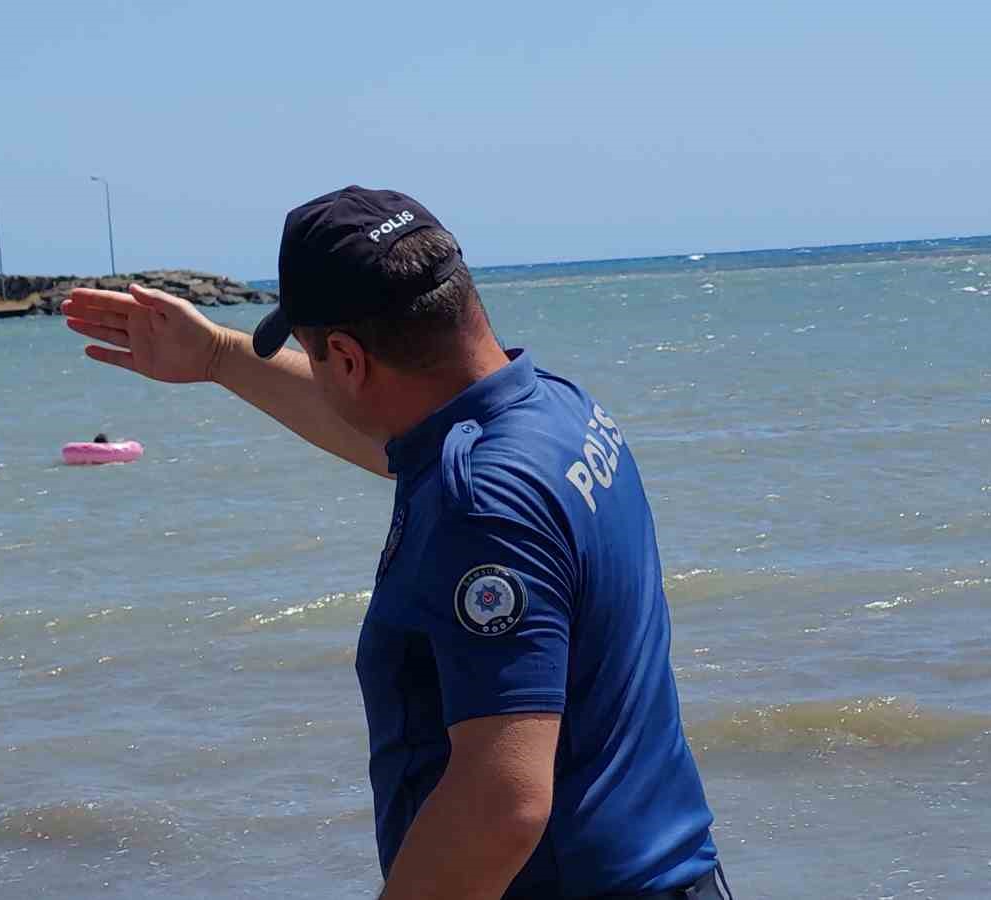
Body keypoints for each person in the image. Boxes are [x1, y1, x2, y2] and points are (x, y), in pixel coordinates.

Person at [63, 186, 730, 899]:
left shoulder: (482, 507)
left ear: (347, 358)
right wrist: (221, 357)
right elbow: (393, 439)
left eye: (318, 357)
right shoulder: (554, 411)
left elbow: (500, 806)